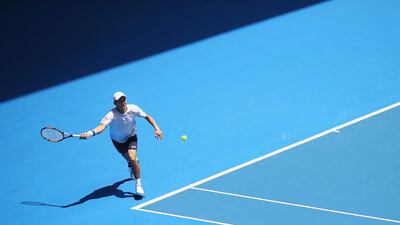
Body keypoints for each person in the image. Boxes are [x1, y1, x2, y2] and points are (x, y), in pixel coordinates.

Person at [80, 91, 163, 196]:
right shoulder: (111, 115)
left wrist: (157, 128)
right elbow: (101, 127)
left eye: (123, 99)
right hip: (117, 141)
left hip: (131, 137)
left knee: (132, 157)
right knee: (131, 160)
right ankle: (132, 164)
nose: (122, 102)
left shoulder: (133, 108)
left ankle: (138, 184)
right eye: (119, 101)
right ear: (115, 103)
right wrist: (90, 133)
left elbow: (147, 116)